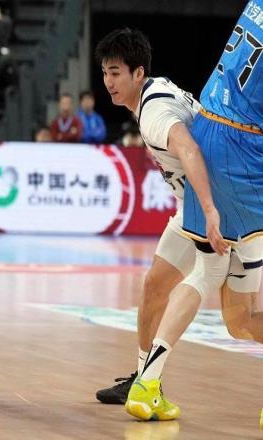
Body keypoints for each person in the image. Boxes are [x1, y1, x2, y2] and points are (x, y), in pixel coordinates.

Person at [124, 2, 263, 422]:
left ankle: (146, 381)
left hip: (210, 130)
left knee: (231, 308)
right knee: (236, 305)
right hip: (243, 148)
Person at [93, 27, 230, 415]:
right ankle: (143, 378)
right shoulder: (157, 88)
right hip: (193, 207)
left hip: (217, 208)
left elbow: (188, 149)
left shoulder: (153, 114)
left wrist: (210, 210)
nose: (108, 82)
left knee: (241, 320)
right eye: (104, 73)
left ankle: (147, 378)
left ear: (138, 73)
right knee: (154, 286)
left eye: (116, 73)